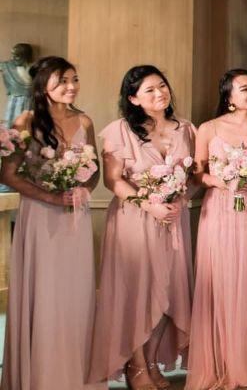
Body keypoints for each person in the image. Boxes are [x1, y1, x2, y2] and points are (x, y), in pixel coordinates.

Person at [90, 66, 196, 389]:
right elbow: (113, 181)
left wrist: (182, 199)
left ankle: (151, 359)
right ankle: (135, 364)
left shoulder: (186, 129)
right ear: (133, 98)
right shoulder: (120, 131)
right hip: (134, 219)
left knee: (170, 289)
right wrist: (149, 204)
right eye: (149, 89)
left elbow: (193, 177)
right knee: (136, 291)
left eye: (162, 86)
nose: (160, 93)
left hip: (173, 220)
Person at [0, 56, 102, 390]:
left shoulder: (84, 121)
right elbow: (8, 174)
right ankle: (41, 377)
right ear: (44, 85)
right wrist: (51, 197)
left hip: (76, 217)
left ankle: (75, 376)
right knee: (44, 292)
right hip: (40, 216)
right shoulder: (27, 121)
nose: (72, 87)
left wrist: (82, 190)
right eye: (63, 81)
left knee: (75, 292)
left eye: (75, 79)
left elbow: (95, 172)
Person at [186, 69, 247, 390]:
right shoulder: (208, 129)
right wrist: (223, 181)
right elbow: (198, 174)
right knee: (221, 280)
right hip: (219, 210)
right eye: (244, 89)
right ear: (228, 97)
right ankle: (221, 361)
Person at [2, 43, 34, 125]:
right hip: (14, 99)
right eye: (12, 55)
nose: (12, 58)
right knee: (11, 123)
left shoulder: (34, 68)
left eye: (16, 56)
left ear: (25, 56)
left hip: (29, 101)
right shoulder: (7, 66)